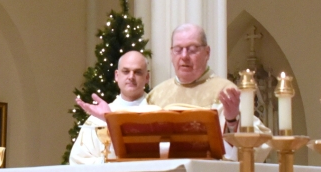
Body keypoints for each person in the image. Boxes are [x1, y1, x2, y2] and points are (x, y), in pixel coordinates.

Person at [76, 23, 269, 159]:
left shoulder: (226, 91)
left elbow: (259, 144)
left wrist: (233, 120)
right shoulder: (158, 94)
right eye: (178, 50)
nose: (184, 57)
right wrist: (110, 117)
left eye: (192, 49)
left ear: (207, 52)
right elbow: (137, 144)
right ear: (171, 53)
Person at [70, 51, 159, 165]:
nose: (131, 77)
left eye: (137, 72)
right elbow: (78, 160)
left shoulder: (157, 113)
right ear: (117, 75)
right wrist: (106, 163)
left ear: (147, 77)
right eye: (126, 71)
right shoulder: (97, 119)